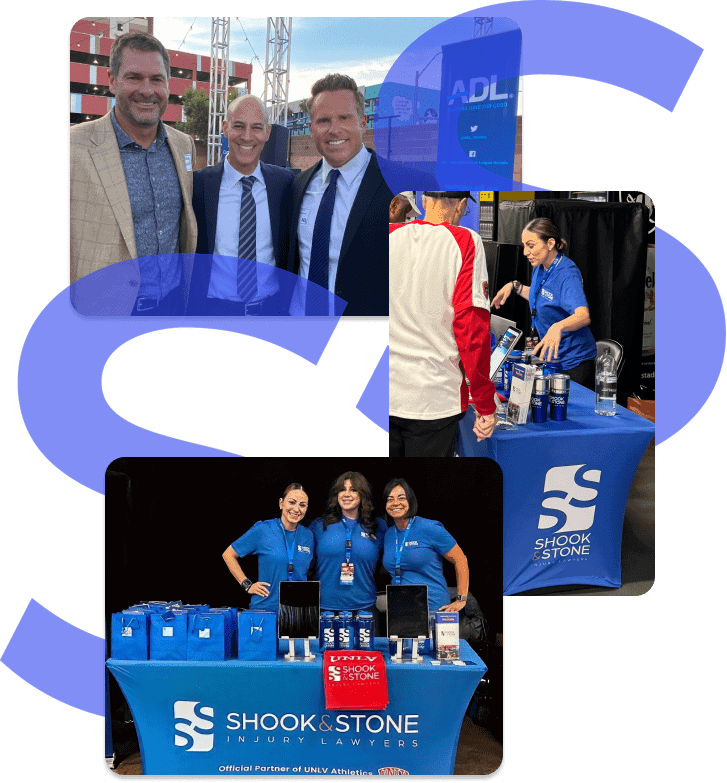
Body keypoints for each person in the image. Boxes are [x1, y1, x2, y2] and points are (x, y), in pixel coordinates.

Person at [69, 31, 197, 314]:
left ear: (168, 84)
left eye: (156, 79)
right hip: (103, 314)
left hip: (173, 307)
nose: (147, 90)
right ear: (112, 81)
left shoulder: (183, 145)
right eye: (134, 77)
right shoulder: (73, 148)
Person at [389, 191, 497, 457]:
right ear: (461, 206)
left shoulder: (389, 236)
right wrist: (484, 402)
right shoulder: (466, 241)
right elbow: (471, 329)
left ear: (424, 202)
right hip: (433, 397)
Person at [187, 95, 294, 315]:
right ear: (225, 128)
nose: (247, 136)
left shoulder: (285, 183)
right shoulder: (198, 185)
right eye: (238, 126)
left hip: (271, 313)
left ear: (267, 132)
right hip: (214, 314)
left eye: (256, 127)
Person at [491, 217, 597, 388]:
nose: (525, 252)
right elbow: (540, 295)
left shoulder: (567, 273)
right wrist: (514, 286)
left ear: (550, 243)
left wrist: (558, 327)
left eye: (531, 245)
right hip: (553, 360)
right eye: (524, 246)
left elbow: (583, 316)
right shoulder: (540, 267)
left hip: (575, 362)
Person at [222, 483, 314, 612]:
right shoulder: (263, 529)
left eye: (302, 505)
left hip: (297, 610)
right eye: (292, 502)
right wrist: (247, 585)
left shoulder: (308, 536)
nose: (296, 509)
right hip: (266, 607)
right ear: (281, 503)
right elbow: (228, 555)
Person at [382, 479, 469, 614]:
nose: (395, 503)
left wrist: (461, 598)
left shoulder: (430, 528)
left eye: (401, 498)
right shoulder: (388, 534)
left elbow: (460, 559)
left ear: (410, 501)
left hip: (433, 608)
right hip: (400, 611)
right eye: (390, 499)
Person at [309, 472, 387, 615]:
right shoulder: (320, 526)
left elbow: (394, 562)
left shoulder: (378, 526)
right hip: (325, 609)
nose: (346, 494)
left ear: (362, 494)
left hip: (364, 608)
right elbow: (301, 562)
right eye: (342, 489)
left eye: (353, 489)